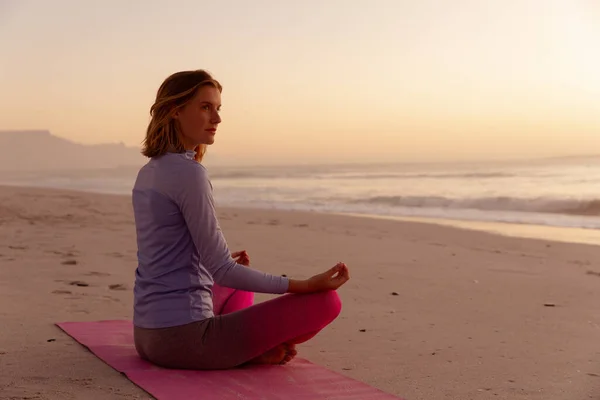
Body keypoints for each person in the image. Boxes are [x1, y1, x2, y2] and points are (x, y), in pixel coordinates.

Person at [131, 69, 350, 370]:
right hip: (183, 340)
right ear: (174, 111)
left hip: (146, 334)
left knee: (242, 285)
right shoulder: (189, 173)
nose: (217, 119)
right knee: (326, 302)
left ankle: (243, 348)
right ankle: (249, 353)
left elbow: (166, 252)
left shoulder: (149, 172)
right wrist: (306, 284)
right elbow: (223, 271)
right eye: (205, 107)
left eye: (218, 109)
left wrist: (207, 267)